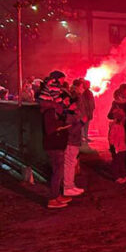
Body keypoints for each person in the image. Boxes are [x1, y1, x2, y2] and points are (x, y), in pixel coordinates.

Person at [36, 73, 73, 209]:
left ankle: (57, 195)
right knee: (57, 172)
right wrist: (62, 126)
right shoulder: (49, 111)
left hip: (56, 143)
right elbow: (51, 128)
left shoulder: (53, 109)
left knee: (59, 171)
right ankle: (52, 199)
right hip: (53, 144)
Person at [108, 106, 126, 183]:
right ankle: (116, 176)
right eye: (123, 117)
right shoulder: (115, 126)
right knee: (116, 162)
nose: (125, 118)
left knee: (122, 162)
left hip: (122, 147)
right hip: (117, 147)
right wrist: (112, 146)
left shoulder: (121, 126)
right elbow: (111, 137)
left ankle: (124, 175)